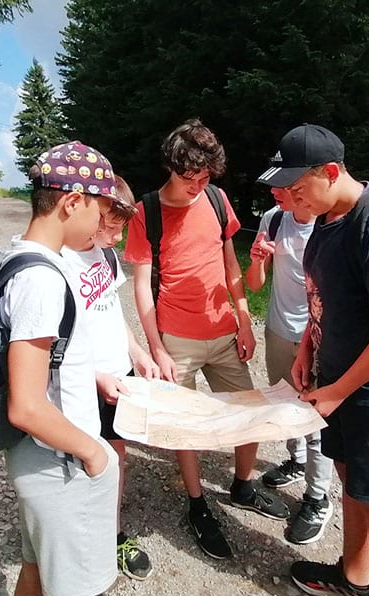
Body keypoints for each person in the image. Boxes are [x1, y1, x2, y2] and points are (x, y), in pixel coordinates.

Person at [257, 124, 369, 596]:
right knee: (350, 479)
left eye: (297, 189)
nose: (288, 200)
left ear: (331, 172)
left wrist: (336, 391)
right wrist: (306, 350)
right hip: (340, 378)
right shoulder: (327, 218)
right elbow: (327, 299)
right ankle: (354, 577)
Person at [124, 118, 288, 560]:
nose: (197, 185)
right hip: (177, 338)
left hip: (224, 333)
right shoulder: (146, 212)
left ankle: (241, 485)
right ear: (170, 166)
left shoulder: (216, 200)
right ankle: (197, 504)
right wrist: (155, 347)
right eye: (188, 177)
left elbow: (231, 265)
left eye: (205, 177)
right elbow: (141, 287)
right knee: (185, 427)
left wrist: (244, 319)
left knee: (249, 414)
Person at [1, 140, 121, 596]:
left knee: (37, 570)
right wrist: (94, 453)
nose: (101, 225)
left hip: (41, 457)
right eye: (99, 210)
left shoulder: (19, 256)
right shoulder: (42, 280)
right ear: (73, 202)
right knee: (79, 589)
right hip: (59, 461)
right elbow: (27, 406)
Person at [60, 175, 159, 581]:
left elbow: (111, 312)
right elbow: (56, 344)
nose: (116, 238)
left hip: (118, 376)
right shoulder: (61, 260)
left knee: (117, 456)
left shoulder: (105, 256)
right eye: (110, 227)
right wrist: (96, 375)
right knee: (84, 460)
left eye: (121, 229)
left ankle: (114, 534)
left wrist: (138, 353)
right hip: (84, 383)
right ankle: (76, 542)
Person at [245, 184, 335, 545]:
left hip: (317, 336)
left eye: (283, 185)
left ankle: (317, 497)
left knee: (313, 417)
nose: (274, 192)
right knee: (283, 405)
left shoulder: (329, 225)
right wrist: (256, 260)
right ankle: (296, 462)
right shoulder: (274, 218)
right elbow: (254, 284)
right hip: (278, 329)